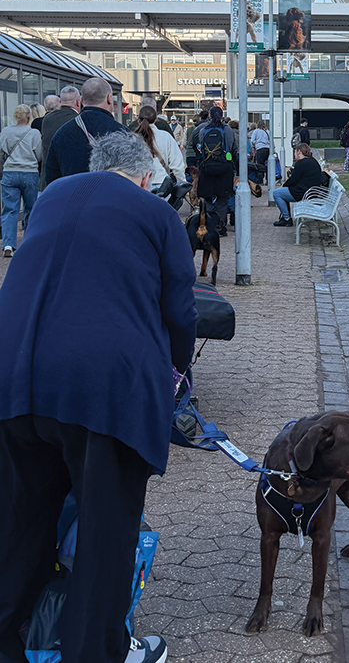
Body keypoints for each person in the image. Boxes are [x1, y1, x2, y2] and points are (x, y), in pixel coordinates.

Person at [0, 132, 196, 663]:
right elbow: (180, 310)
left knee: (20, 519)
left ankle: (8, 639)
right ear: (145, 176)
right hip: (102, 386)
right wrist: (176, 372)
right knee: (106, 530)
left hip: (13, 374)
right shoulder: (156, 213)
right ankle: (97, 651)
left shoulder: (53, 196)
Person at [44, 78, 124, 184]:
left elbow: (52, 178)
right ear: (109, 98)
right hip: (110, 192)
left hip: (72, 192)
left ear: (81, 100)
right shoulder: (122, 133)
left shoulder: (62, 133)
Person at [0, 104, 42, 258]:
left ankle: (8, 244)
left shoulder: (5, 131)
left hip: (10, 172)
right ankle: (29, 243)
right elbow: (39, 155)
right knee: (31, 209)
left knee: (9, 210)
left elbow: (2, 153)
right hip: (29, 173)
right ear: (28, 116)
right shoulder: (34, 133)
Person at [195, 104, 236, 236]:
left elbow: (200, 148)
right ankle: (220, 226)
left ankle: (210, 225)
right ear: (222, 116)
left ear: (210, 116)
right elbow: (232, 147)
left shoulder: (203, 130)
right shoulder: (227, 130)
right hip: (224, 169)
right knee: (222, 200)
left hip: (207, 168)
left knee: (207, 199)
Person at [134, 106, 186, 190]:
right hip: (162, 184)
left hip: (139, 184)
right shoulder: (166, 136)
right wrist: (182, 182)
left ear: (138, 120)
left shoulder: (132, 138)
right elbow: (177, 165)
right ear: (156, 120)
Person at [272, 143, 323, 226]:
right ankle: (286, 217)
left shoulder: (301, 163)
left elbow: (293, 179)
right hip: (311, 191)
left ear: (299, 152)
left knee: (276, 193)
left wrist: (284, 185)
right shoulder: (312, 160)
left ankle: (286, 218)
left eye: (295, 152)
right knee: (282, 192)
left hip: (302, 192)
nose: (294, 154)